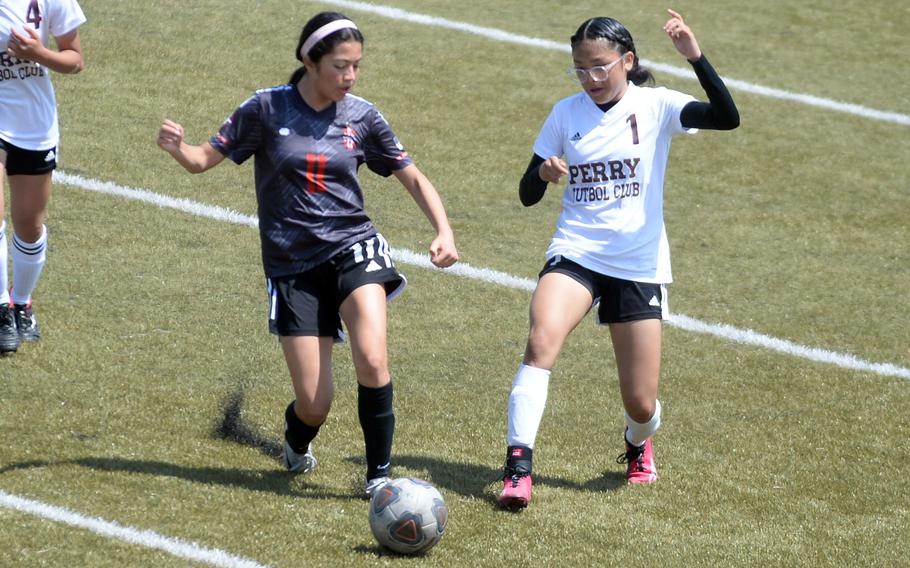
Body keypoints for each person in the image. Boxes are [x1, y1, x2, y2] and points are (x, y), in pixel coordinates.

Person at [157, 11, 458, 497]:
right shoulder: (266, 109)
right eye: (340, 66)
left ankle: (379, 477)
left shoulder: (362, 115)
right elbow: (201, 160)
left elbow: (413, 176)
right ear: (309, 61)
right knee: (315, 403)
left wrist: (443, 230)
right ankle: (296, 442)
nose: (350, 76)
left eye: (356, 66)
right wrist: (178, 148)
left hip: (354, 247)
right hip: (292, 267)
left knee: (373, 359)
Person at [498, 9, 739, 509]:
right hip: (576, 252)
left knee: (641, 401)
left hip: (638, 265)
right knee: (541, 340)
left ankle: (637, 440)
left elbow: (726, 117)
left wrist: (695, 57)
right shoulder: (565, 114)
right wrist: (542, 173)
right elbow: (526, 193)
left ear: (627, 61)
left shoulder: (657, 106)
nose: (590, 79)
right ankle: (518, 468)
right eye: (580, 69)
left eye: (600, 66)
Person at [0, 0, 86, 354]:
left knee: (30, 226)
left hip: (34, 124)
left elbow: (75, 59)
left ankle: (21, 303)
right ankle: (1, 310)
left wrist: (38, 52)